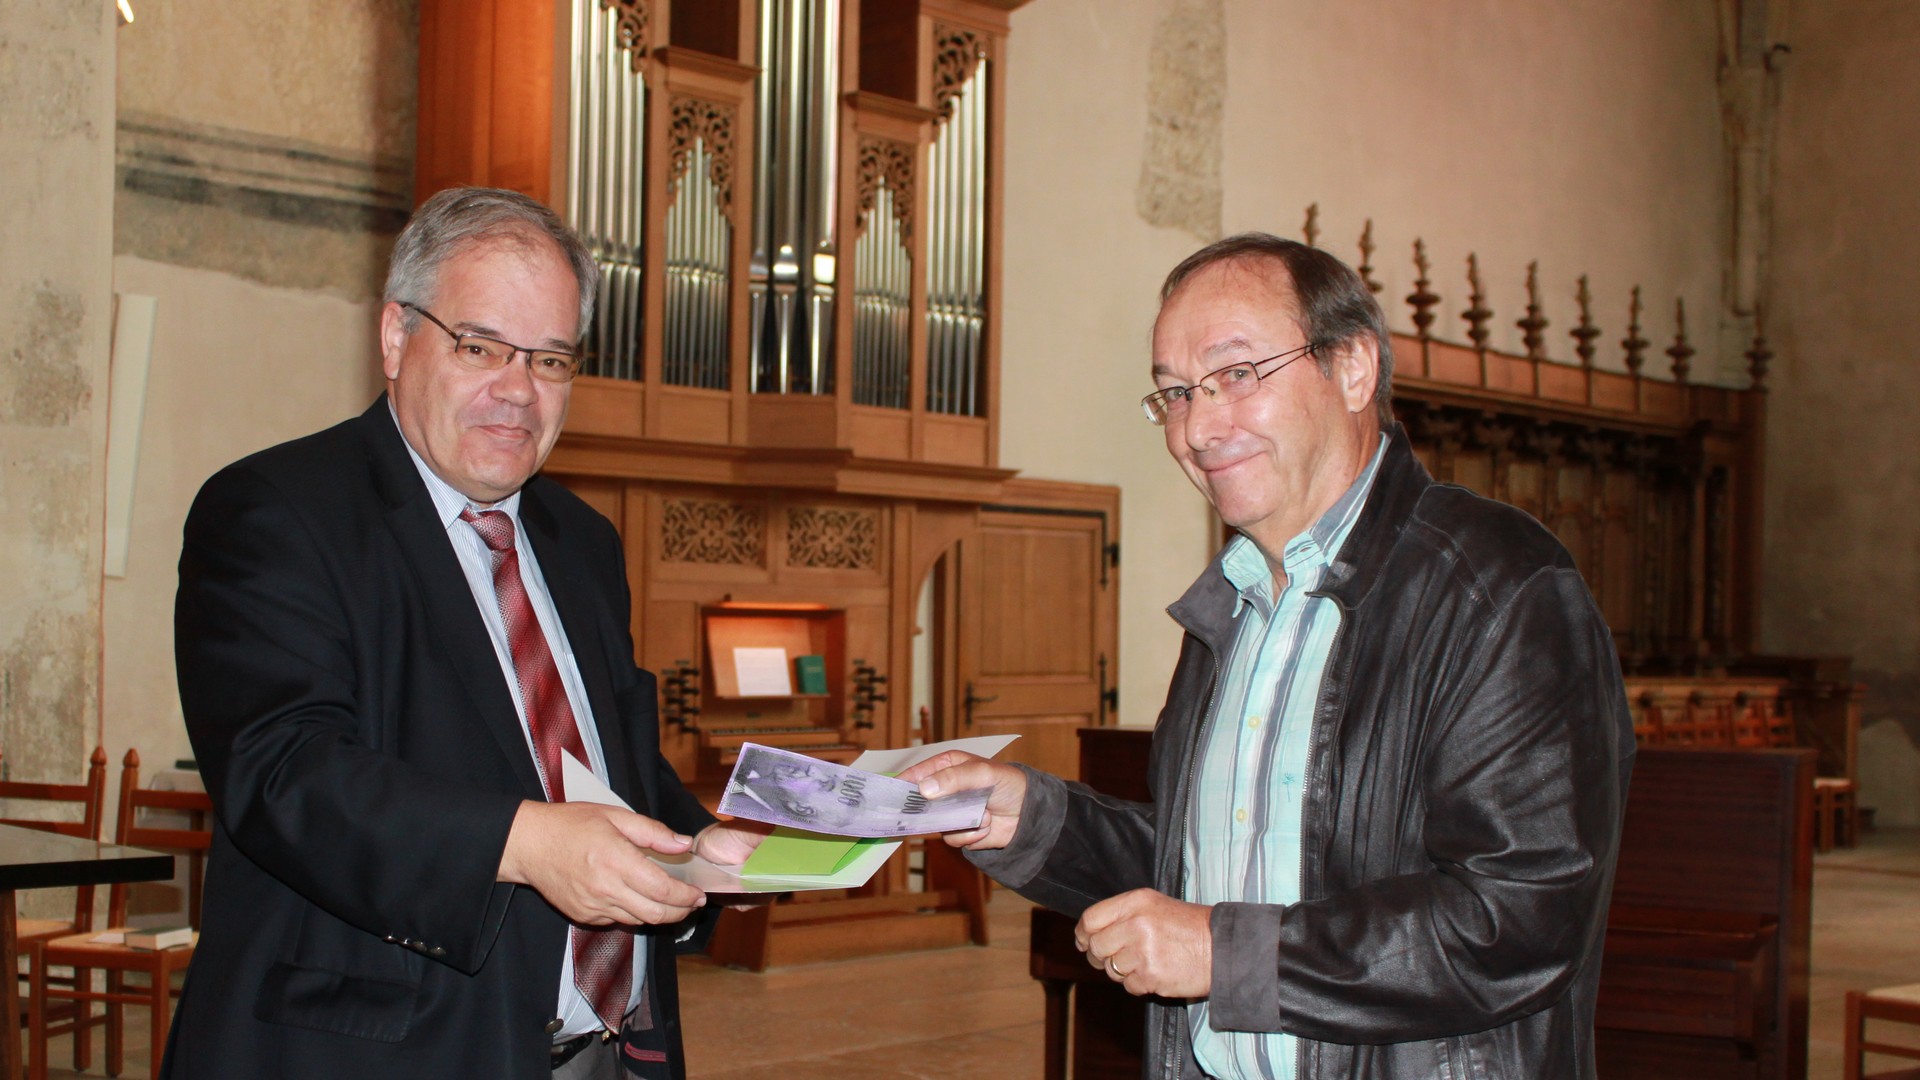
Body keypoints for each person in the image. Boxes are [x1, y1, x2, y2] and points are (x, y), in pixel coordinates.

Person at [901, 233, 1636, 1079]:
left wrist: (1227, 955)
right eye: (1175, 393)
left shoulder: (1499, 585)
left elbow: (1520, 918)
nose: (1199, 426)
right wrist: (1030, 818)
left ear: (1353, 369)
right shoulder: (1235, 605)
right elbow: (1211, 865)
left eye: (1238, 374)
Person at [170, 186, 761, 1079]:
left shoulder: (582, 543)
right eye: (481, 346)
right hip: (384, 1052)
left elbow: (614, 776)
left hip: (614, 1051)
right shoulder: (278, 512)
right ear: (396, 338)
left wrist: (700, 850)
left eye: (552, 361)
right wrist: (526, 842)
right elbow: (284, 773)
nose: (518, 391)